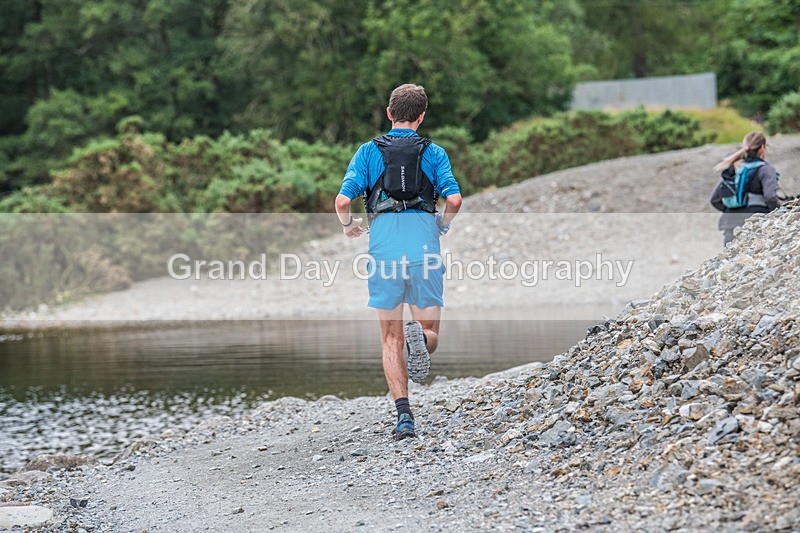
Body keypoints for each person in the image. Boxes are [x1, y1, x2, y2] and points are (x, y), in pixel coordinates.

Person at [334, 84, 462, 440]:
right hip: (423, 247)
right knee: (430, 330)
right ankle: (419, 335)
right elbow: (454, 198)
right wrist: (442, 224)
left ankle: (404, 417)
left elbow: (342, 202)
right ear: (421, 117)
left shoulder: (367, 151)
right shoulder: (434, 152)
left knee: (390, 337)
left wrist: (349, 228)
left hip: (384, 249)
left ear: (389, 113)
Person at [710, 132, 781, 246]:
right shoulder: (766, 169)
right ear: (763, 147)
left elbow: (714, 200)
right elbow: (770, 197)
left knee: (731, 262)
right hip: (757, 225)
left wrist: (733, 210)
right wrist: (780, 211)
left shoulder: (735, 168)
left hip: (731, 226)